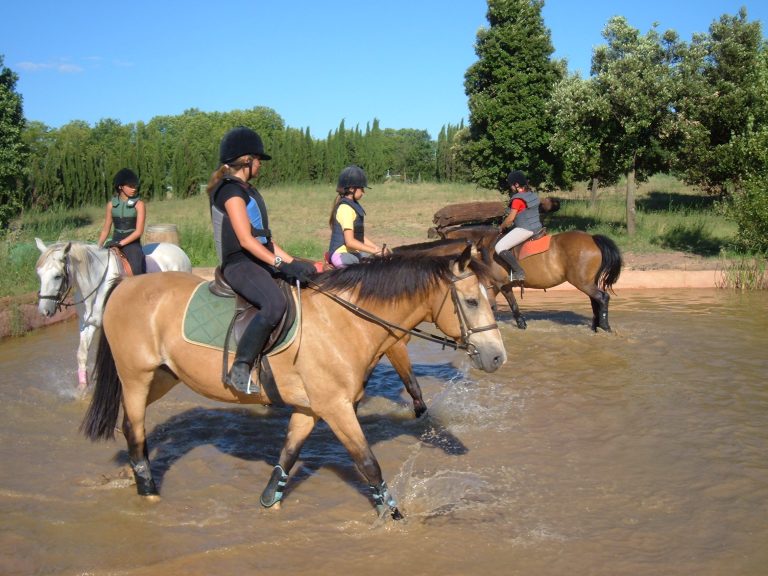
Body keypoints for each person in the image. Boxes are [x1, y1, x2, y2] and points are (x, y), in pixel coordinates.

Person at [208, 126, 316, 394]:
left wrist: (294, 262)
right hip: (239, 264)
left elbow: (265, 240)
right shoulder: (230, 193)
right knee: (274, 303)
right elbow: (245, 240)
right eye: (258, 160)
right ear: (247, 160)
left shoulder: (248, 190)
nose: (260, 165)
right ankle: (240, 367)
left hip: (258, 258)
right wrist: (280, 265)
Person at [327, 165, 387, 268]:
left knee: (377, 260)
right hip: (341, 255)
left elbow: (358, 237)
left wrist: (376, 248)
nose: (363, 192)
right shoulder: (346, 209)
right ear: (351, 189)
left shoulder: (351, 206)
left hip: (350, 253)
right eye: (362, 188)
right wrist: (374, 251)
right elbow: (350, 242)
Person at [495, 170, 543, 284]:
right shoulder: (532, 195)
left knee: (499, 247)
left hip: (525, 230)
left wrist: (501, 227)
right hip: (538, 227)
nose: (511, 187)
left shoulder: (517, 199)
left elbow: (511, 219)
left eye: (511, 184)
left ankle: (519, 272)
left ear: (516, 185)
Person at [98, 168, 146, 275]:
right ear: (120, 187)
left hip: (132, 244)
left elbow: (139, 232)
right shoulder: (111, 205)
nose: (134, 189)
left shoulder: (139, 205)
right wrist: (98, 246)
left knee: (137, 266)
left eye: (135, 186)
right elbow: (106, 229)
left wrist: (121, 243)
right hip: (114, 240)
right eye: (130, 186)